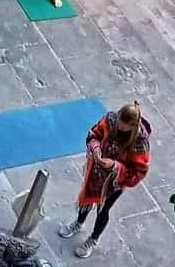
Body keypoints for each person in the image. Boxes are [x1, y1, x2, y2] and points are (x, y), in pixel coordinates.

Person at [58, 103, 152, 259]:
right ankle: (79, 223)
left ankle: (93, 239)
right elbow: (94, 134)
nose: (119, 127)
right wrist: (95, 148)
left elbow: (138, 172)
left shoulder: (140, 144)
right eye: (118, 122)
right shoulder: (110, 120)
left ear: (133, 125)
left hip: (114, 183)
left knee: (103, 209)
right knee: (86, 199)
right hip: (95, 171)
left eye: (123, 126)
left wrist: (115, 166)